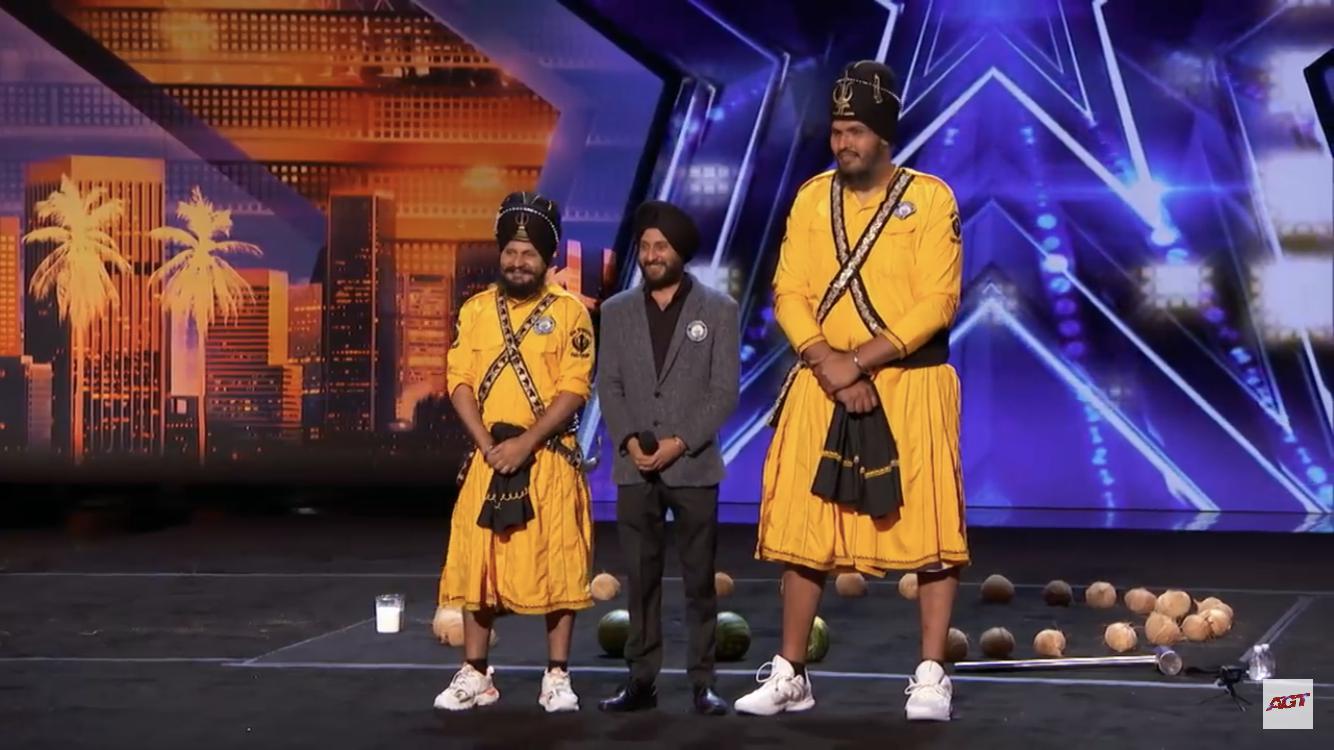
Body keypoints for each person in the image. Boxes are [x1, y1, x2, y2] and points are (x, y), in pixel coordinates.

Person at [733, 60, 969, 722]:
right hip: (823, 382)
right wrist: (825, 360)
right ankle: (791, 674)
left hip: (910, 384)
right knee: (804, 527)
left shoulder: (932, 199)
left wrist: (859, 361)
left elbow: (937, 302)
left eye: (856, 131)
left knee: (929, 526)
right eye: (837, 131)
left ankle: (931, 676)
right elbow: (789, 290)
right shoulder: (811, 198)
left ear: (884, 134)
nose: (843, 143)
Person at [434, 191, 596, 714]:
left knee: (559, 565)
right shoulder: (476, 310)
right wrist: (488, 446)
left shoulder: (571, 313)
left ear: (547, 258)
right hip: (489, 459)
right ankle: (476, 673)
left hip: (548, 458)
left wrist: (525, 443)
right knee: (477, 567)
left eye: (529, 253)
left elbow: (575, 387)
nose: (518, 262)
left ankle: (557, 676)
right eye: (510, 251)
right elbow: (458, 380)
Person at [594, 200, 739, 715]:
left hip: (693, 466)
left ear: (680, 253)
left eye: (661, 247)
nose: (651, 255)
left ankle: (703, 682)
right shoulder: (616, 311)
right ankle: (641, 681)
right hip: (634, 467)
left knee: (699, 581)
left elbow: (723, 392)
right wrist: (630, 441)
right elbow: (610, 385)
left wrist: (679, 442)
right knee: (640, 580)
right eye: (646, 246)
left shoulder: (718, 310)